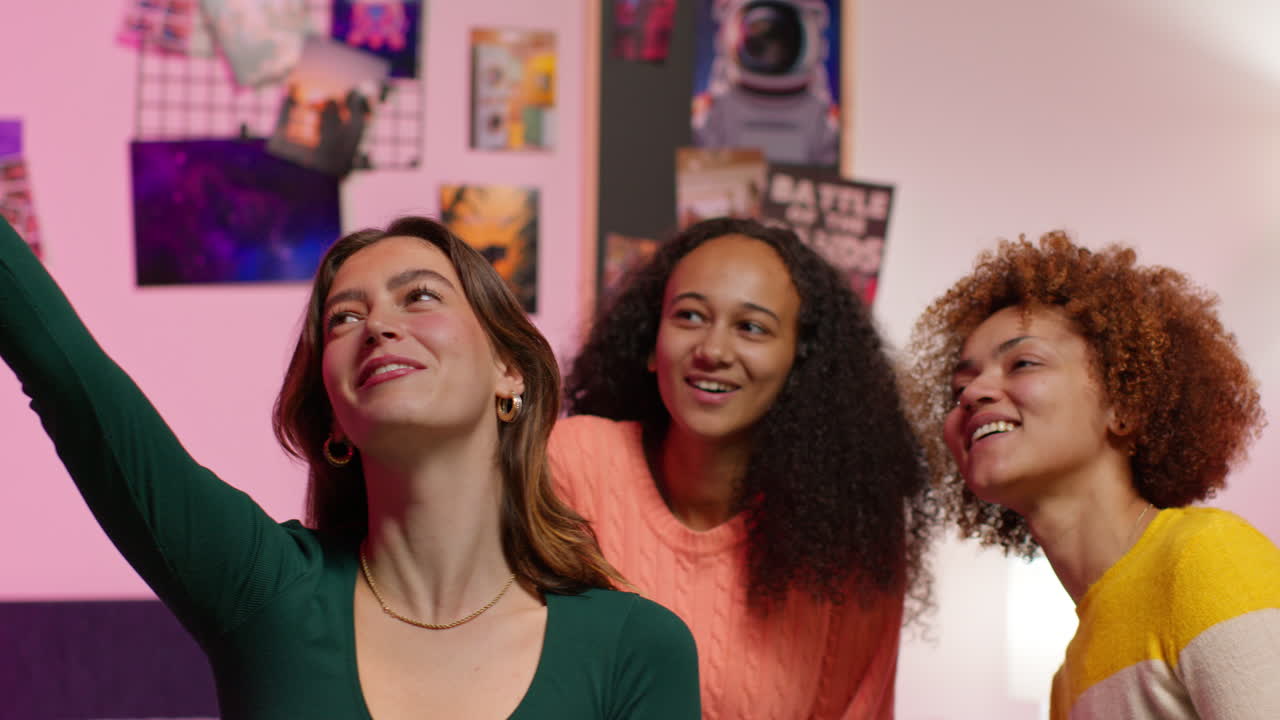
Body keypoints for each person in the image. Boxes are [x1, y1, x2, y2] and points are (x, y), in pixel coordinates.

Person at [0, 215, 700, 719]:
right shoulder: (266, 590)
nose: (378, 326)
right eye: (343, 318)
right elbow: (72, 383)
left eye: (420, 296)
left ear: (508, 368)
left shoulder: (637, 646)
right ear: (333, 415)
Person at [554, 217, 934, 719]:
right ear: (650, 343)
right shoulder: (573, 462)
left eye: (751, 327)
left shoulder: (852, 530)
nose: (713, 351)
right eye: (689, 317)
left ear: (801, 362)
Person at [904, 231, 1280, 718]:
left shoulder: (1206, 559)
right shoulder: (1067, 679)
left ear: (1125, 403)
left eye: (1023, 362)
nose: (975, 391)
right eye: (961, 386)